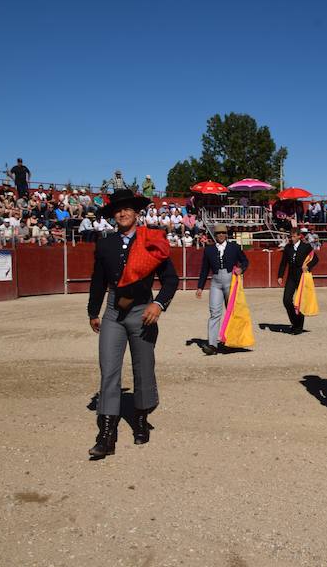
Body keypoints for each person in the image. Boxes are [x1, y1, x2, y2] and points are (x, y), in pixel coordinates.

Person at [86, 189, 179, 459]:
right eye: (117, 210)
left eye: (127, 208)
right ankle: (107, 434)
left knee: (143, 366)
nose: (122, 213)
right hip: (113, 310)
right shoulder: (105, 244)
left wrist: (158, 304)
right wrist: (93, 311)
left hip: (142, 309)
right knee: (109, 369)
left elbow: (170, 280)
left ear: (136, 212)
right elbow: (98, 281)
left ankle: (140, 419)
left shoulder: (151, 240)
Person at [195, 224, 249, 355]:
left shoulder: (234, 247)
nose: (220, 235)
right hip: (216, 282)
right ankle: (212, 345)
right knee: (214, 313)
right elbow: (204, 269)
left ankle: (230, 341)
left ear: (226, 234)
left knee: (232, 312)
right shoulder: (209, 250)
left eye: (223, 233)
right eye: (218, 233)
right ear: (215, 235)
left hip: (231, 281)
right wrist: (200, 287)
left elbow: (245, 261)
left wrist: (241, 269)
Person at [277, 227, 319, 335]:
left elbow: (315, 259)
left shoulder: (306, 247)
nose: (292, 238)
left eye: (294, 236)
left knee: (300, 302)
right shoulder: (288, 248)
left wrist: (308, 266)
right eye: (291, 236)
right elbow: (283, 263)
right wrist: (280, 276)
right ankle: (295, 322)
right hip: (291, 276)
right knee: (286, 300)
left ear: (299, 236)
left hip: (302, 277)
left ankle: (298, 327)